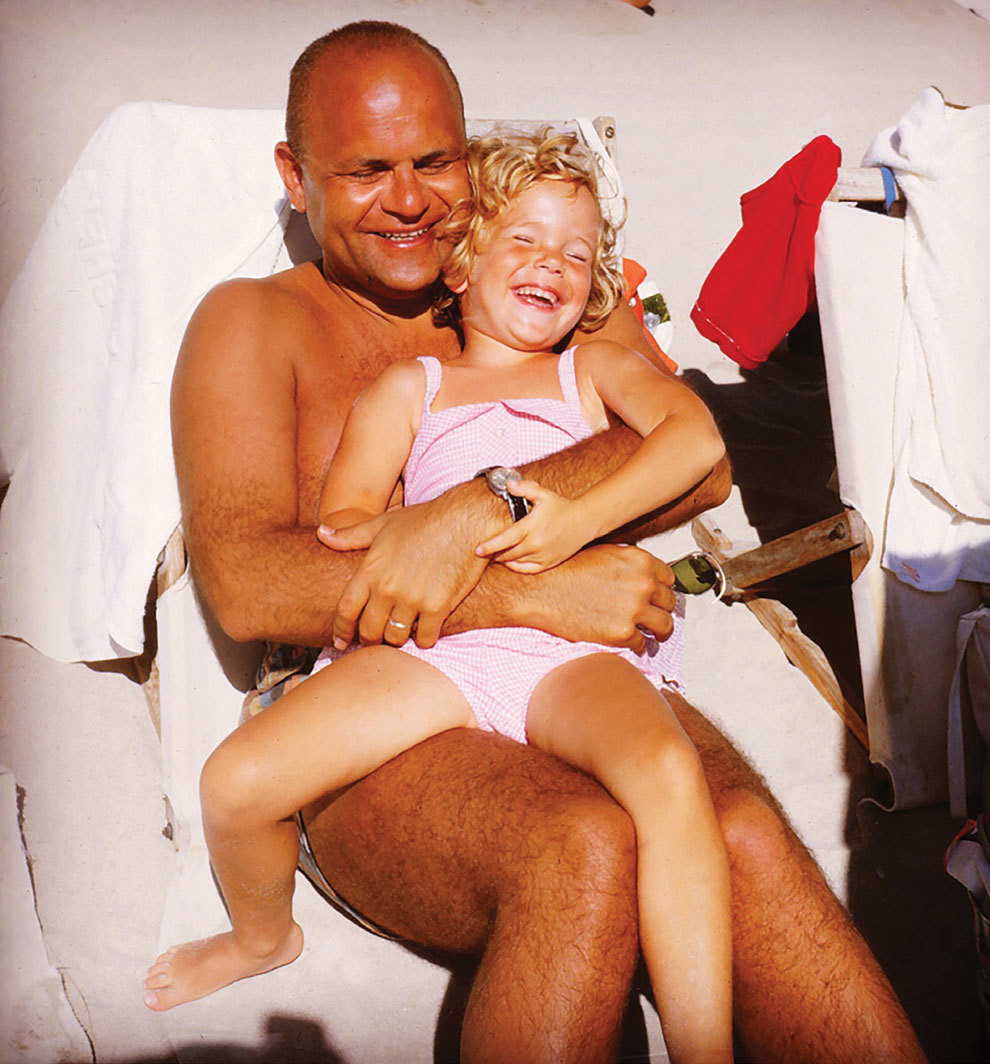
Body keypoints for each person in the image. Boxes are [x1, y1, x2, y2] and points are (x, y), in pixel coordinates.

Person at [159, 19, 927, 1063]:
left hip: (583, 665)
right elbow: (251, 584)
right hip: (385, 690)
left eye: (434, 161)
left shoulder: (541, 271)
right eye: (365, 171)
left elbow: (694, 459)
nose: (410, 200)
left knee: (741, 837)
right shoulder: (251, 323)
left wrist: (481, 507)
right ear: (296, 177)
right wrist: (525, 591)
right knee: (583, 846)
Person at [146, 130, 733, 1062]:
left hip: (577, 654)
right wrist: (442, 535)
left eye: (578, 255)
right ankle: (263, 936)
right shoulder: (410, 388)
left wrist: (578, 521)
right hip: (438, 650)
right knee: (238, 782)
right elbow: (347, 524)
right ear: (461, 262)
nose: (554, 265)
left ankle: (710, 1050)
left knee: (667, 779)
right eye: (525, 242)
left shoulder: (594, 372)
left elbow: (695, 439)